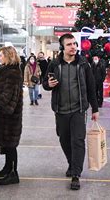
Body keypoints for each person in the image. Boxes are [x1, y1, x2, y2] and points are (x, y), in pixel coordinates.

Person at [42, 33, 99, 190]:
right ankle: (71, 163)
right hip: (60, 109)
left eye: (74, 43)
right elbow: (44, 83)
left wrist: (95, 108)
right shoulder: (54, 64)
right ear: (62, 47)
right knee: (64, 139)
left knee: (78, 140)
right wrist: (49, 84)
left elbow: (91, 86)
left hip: (79, 109)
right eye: (69, 44)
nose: (73, 46)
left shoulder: (83, 64)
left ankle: (76, 174)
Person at [0, 46, 23, 185]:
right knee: (7, 144)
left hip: (9, 115)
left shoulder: (12, 73)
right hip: (4, 114)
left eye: (1, 55)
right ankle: (7, 168)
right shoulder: (6, 71)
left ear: (8, 56)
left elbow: (7, 97)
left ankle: (13, 173)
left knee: (10, 145)